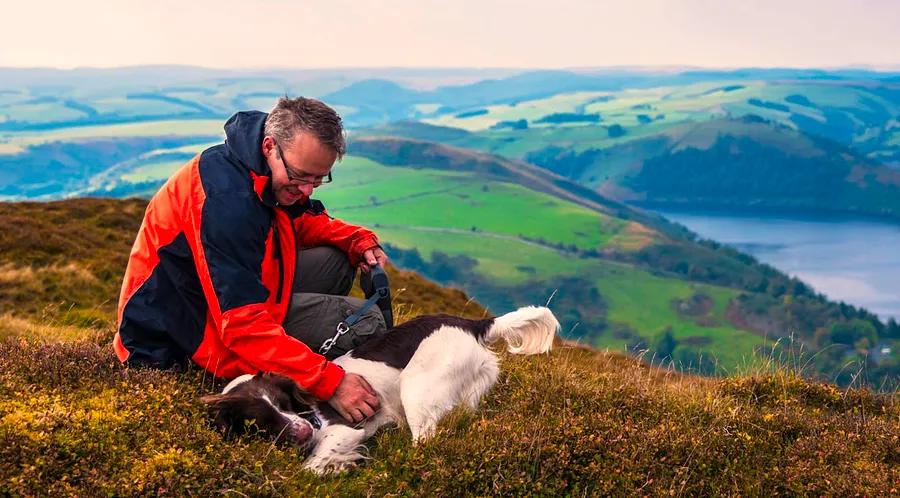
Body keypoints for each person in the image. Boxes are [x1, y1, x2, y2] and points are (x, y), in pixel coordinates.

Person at [114, 97, 388, 423]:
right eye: (301, 176)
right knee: (368, 324)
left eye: (318, 179)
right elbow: (241, 326)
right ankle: (311, 372)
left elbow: (299, 219)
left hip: (224, 301)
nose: (308, 190)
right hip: (183, 336)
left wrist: (354, 239)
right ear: (270, 146)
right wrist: (331, 382)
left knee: (336, 259)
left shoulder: (261, 167)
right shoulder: (226, 202)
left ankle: (294, 351)